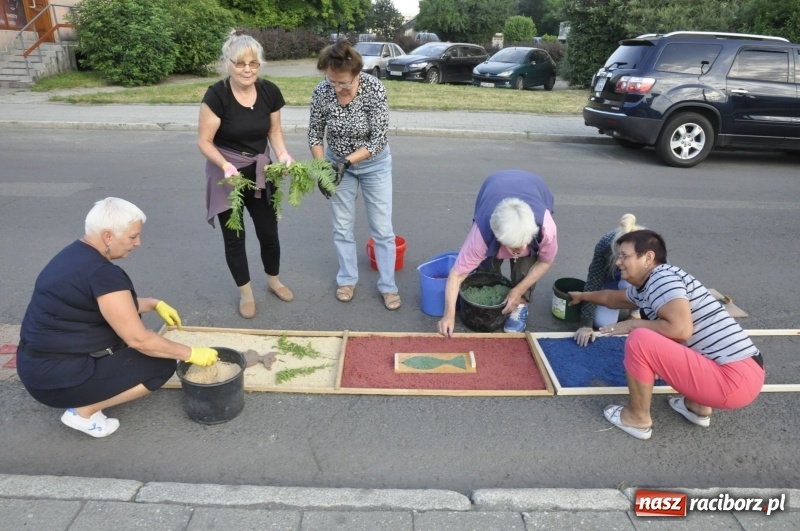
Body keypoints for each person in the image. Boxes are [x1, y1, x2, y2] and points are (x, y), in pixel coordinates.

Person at [16, 198, 219, 438]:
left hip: (36, 367)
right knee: (160, 362)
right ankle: (83, 412)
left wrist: (154, 303)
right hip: (56, 381)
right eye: (133, 237)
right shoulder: (103, 274)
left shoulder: (74, 255)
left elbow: (104, 305)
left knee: (140, 341)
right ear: (108, 236)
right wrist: (191, 353)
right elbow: (139, 340)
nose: (138, 243)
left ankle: (86, 394)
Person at [568, 230, 764, 440]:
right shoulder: (653, 282)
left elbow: (681, 330)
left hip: (731, 380)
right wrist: (582, 296)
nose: (618, 262)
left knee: (640, 339)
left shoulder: (662, 279)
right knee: (666, 336)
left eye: (625, 256)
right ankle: (697, 406)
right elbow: (614, 298)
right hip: (745, 373)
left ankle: (637, 418)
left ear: (648, 258)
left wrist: (632, 324)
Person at [198, 31, 295, 319]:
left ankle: (274, 281)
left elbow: (274, 132)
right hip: (227, 174)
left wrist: (283, 154)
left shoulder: (269, 92)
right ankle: (246, 293)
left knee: (269, 233)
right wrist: (225, 166)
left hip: (261, 171)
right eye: (240, 64)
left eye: (253, 63)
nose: (247, 69)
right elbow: (204, 141)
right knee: (235, 239)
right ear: (227, 63)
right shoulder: (217, 96)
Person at [308, 39, 401, 311]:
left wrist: (346, 163)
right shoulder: (322, 92)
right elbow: (315, 134)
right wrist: (323, 168)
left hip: (374, 165)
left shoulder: (374, 89)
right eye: (332, 81)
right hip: (337, 164)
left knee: (382, 230)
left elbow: (378, 139)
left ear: (357, 74)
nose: (337, 88)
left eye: (344, 83)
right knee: (342, 226)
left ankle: (388, 285)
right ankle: (347, 279)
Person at [437, 169, 557, 336]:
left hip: (534, 187)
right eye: (512, 248)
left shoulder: (545, 228)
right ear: (498, 238)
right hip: (494, 187)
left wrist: (519, 290)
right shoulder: (482, 235)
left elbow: (545, 261)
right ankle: (489, 281)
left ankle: (520, 304)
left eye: (522, 245)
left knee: (525, 264)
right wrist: (448, 316)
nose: (517, 252)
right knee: (487, 263)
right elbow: (457, 274)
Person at [574, 213, 645, 347]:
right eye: (617, 256)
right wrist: (585, 324)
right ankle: (626, 305)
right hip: (613, 283)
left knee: (645, 321)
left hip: (635, 287)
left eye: (624, 257)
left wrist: (636, 323)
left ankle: (635, 310)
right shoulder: (605, 244)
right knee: (602, 322)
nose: (618, 262)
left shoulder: (652, 247)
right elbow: (594, 280)